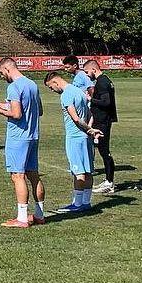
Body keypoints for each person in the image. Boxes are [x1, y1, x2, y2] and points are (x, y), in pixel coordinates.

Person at [0, 58, 45, 228]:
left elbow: (16, 114)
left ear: (7, 68)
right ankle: (39, 214)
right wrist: (2, 104)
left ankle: (21, 218)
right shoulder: (32, 85)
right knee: (33, 175)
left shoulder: (13, 87)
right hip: (33, 135)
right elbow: (39, 110)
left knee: (17, 176)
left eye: (1, 72)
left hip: (18, 137)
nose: (1, 76)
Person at [45, 72, 99, 213]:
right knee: (88, 171)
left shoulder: (66, 95)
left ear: (55, 82)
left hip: (75, 138)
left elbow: (75, 118)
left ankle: (77, 204)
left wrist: (89, 129)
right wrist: (90, 129)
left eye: (51, 87)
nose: (52, 90)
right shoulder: (79, 92)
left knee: (78, 172)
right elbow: (90, 114)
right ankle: (86, 203)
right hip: (85, 138)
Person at [85, 59, 118, 193]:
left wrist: (90, 99)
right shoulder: (104, 80)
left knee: (105, 151)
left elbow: (106, 102)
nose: (87, 75)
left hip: (103, 121)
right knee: (102, 150)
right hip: (101, 119)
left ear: (94, 69)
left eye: (87, 72)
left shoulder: (102, 82)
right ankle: (108, 180)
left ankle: (109, 183)